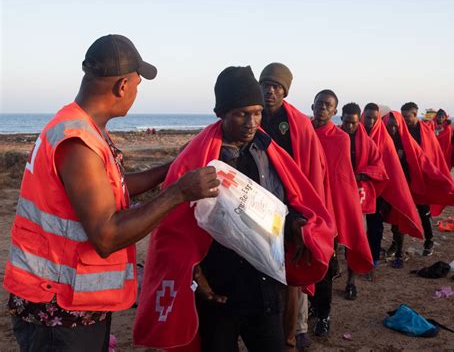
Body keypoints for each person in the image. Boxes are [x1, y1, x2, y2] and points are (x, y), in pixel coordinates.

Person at [3, 34, 220, 351]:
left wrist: (171, 168)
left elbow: (112, 188)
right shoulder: (78, 143)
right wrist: (177, 193)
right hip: (58, 312)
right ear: (122, 86)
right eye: (137, 84)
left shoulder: (81, 126)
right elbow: (106, 235)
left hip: (72, 302)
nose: (135, 92)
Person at [133, 66, 335, 351]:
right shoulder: (198, 157)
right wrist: (196, 274)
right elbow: (174, 228)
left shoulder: (268, 151)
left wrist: (297, 223)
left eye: (257, 113)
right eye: (242, 114)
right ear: (221, 113)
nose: (251, 122)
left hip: (264, 282)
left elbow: (290, 200)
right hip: (219, 287)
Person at [259, 62, 333, 350]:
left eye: (276, 86)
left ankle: (291, 336)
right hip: (258, 205)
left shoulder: (299, 124)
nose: (270, 90)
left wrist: (304, 217)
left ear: (285, 91)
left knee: (290, 273)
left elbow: (312, 174)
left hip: (291, 210)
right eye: (265, 84)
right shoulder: (253, 115)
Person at [310, 90, 373, 337]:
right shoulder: (303, 132)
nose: (323, 109)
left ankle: (324, 314)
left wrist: (339, 215)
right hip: (303, 208)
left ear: (334, 112)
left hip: (329, 212)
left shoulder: (340, 139)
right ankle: (313, 306)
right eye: (319, 104)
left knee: (323, 266)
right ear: (312, 106)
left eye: (328, 106)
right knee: (306, 262)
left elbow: (341, 179)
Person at [383, 110, 454, 262]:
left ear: (414, 114)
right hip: (398, 185)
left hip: (416, 182)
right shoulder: (387, 139)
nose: (393, 128)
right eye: (389, 125)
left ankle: (429, 241)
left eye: (396, 124)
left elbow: (427, 159)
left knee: (424, 211)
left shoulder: (412, 136)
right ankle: (395, 245)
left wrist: (443, 181)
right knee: (397, 215)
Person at [361, 103, 423, 268]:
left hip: (391, 186)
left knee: (388, 221)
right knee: (365, 222)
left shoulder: (394, 139)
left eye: (375, 118)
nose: (372, 122)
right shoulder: (368, 134)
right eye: (368, 117)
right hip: (368, 186)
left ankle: (393, 252)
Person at [340, 102, 389, 297]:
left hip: (357, 197)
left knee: (355, 238)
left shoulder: (368, 142)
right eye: (346, 122)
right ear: (341, 118)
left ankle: (351, 281)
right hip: (336, 194)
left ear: (357, 120)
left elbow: (379, 167)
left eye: (353, 123)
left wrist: (360, 175)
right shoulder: (335, 137)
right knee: (333, 239)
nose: (350, 126)